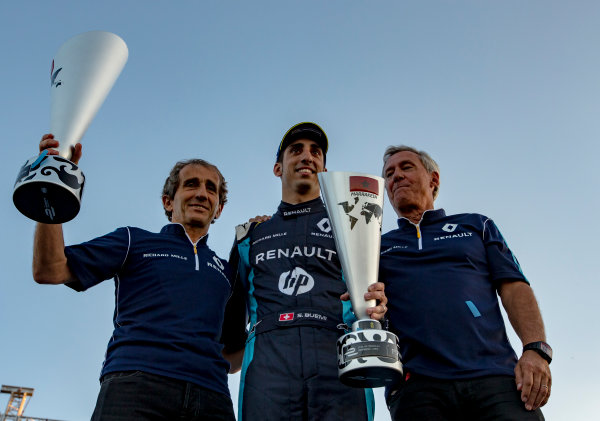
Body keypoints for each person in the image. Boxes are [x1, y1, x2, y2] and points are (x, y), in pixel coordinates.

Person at [32, 134, 246, 421]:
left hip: (212, 397)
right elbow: (50, 268)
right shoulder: (133, 240)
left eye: (211, 189)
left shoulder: (228, 271)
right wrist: (52, 188)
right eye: (191, 184)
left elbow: (233, 359)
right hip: (135, 385)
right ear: (168, 201)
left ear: (218, 208)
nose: (201, 193)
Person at [378, 145, 551, 420]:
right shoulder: (375, 245)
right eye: (389, 174)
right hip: (417, 387)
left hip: (496, 378)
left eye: (406, 167)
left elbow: (514, 286)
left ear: (433, 179)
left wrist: (536, 349)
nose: (395, 176)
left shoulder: (475, 225)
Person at [229, 122, 387, 421]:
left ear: (324, 169)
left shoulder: (353, 226)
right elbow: (230, 329)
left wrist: (378, 308)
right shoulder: (250, 235)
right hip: (268, 362)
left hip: (337, 356)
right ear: (278, 168)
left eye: (316, 152)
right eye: (296, 150)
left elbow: (376, 302)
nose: (307, 156)